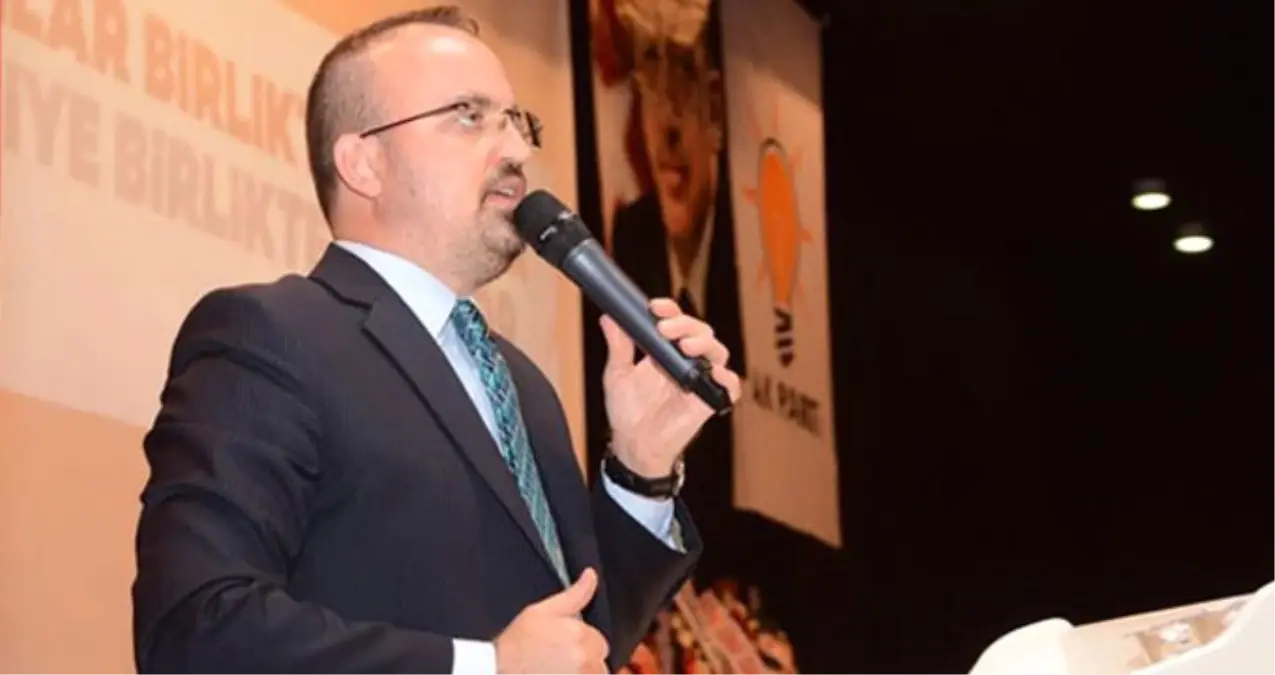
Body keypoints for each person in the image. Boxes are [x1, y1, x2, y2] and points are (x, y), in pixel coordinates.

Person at [130, 6, 741, 675]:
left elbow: (582, 645)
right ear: (362, 163)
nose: (517, 151)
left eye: (517, 121)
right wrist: (485, 666)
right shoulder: (270, 336)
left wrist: (641, 471)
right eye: (468, 115)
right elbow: (194, 628)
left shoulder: (525, 386)